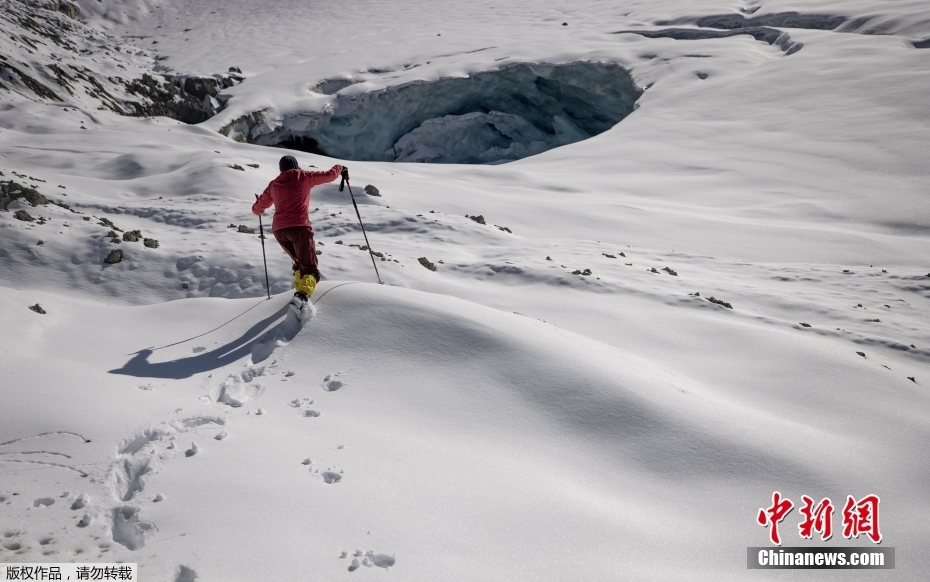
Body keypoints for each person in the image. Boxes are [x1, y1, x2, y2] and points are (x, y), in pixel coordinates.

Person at [252, 155, 345, 303]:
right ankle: (302, 297)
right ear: (296, 166)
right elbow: (330, 175)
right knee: (310, 269)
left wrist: (257, 204)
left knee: (298, 263)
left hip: (280, 231)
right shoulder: (304, 176)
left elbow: (257, 209)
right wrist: (340, 167)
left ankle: (299, 291)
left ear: (281, 169)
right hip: (299, 228)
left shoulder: (273, 184)